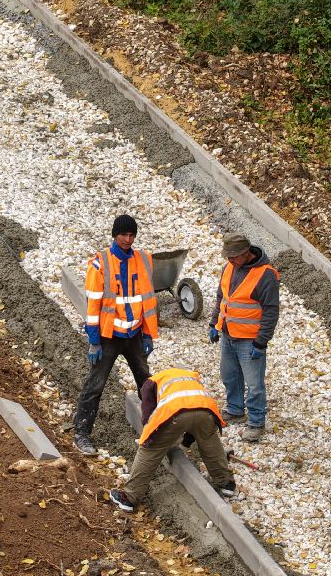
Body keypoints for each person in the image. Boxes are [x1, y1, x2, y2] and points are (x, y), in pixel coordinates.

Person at [73, 214, 158, 456]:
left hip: (134, 335)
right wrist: (94, 341)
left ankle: (156, 430)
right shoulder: (100, 264)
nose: (128, 239)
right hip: (108, 337)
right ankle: (81, 433)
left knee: (147, 385)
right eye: (123, 235)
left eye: (132, 235)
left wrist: (148, 335)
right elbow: (93, 307)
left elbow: (148, 300)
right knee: (95, 385)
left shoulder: (143, 260)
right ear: (114, 234)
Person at [108, 367, 236, 511]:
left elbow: (148, 418)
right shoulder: (190, 376)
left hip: (176, 413)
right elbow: (193, 418)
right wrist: (184, 444)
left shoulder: (149, 384)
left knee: (150, 450)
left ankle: (129, 498)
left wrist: (150, 438)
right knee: (209, 441)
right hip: (206, 411)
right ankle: (226, 483)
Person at [208, 233, 279, 442]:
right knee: (229, 375)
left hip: (250, 340)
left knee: (254, 384)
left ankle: (256, 422)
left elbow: (271, 311)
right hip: (229, 333)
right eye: (227, 257)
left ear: (245, 253)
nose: (229, 261)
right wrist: (214, 323)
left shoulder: (266, 275)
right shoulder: (229, 267)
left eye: (233, 257)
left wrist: (261, 341)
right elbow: (222, 297)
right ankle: (235, 409)